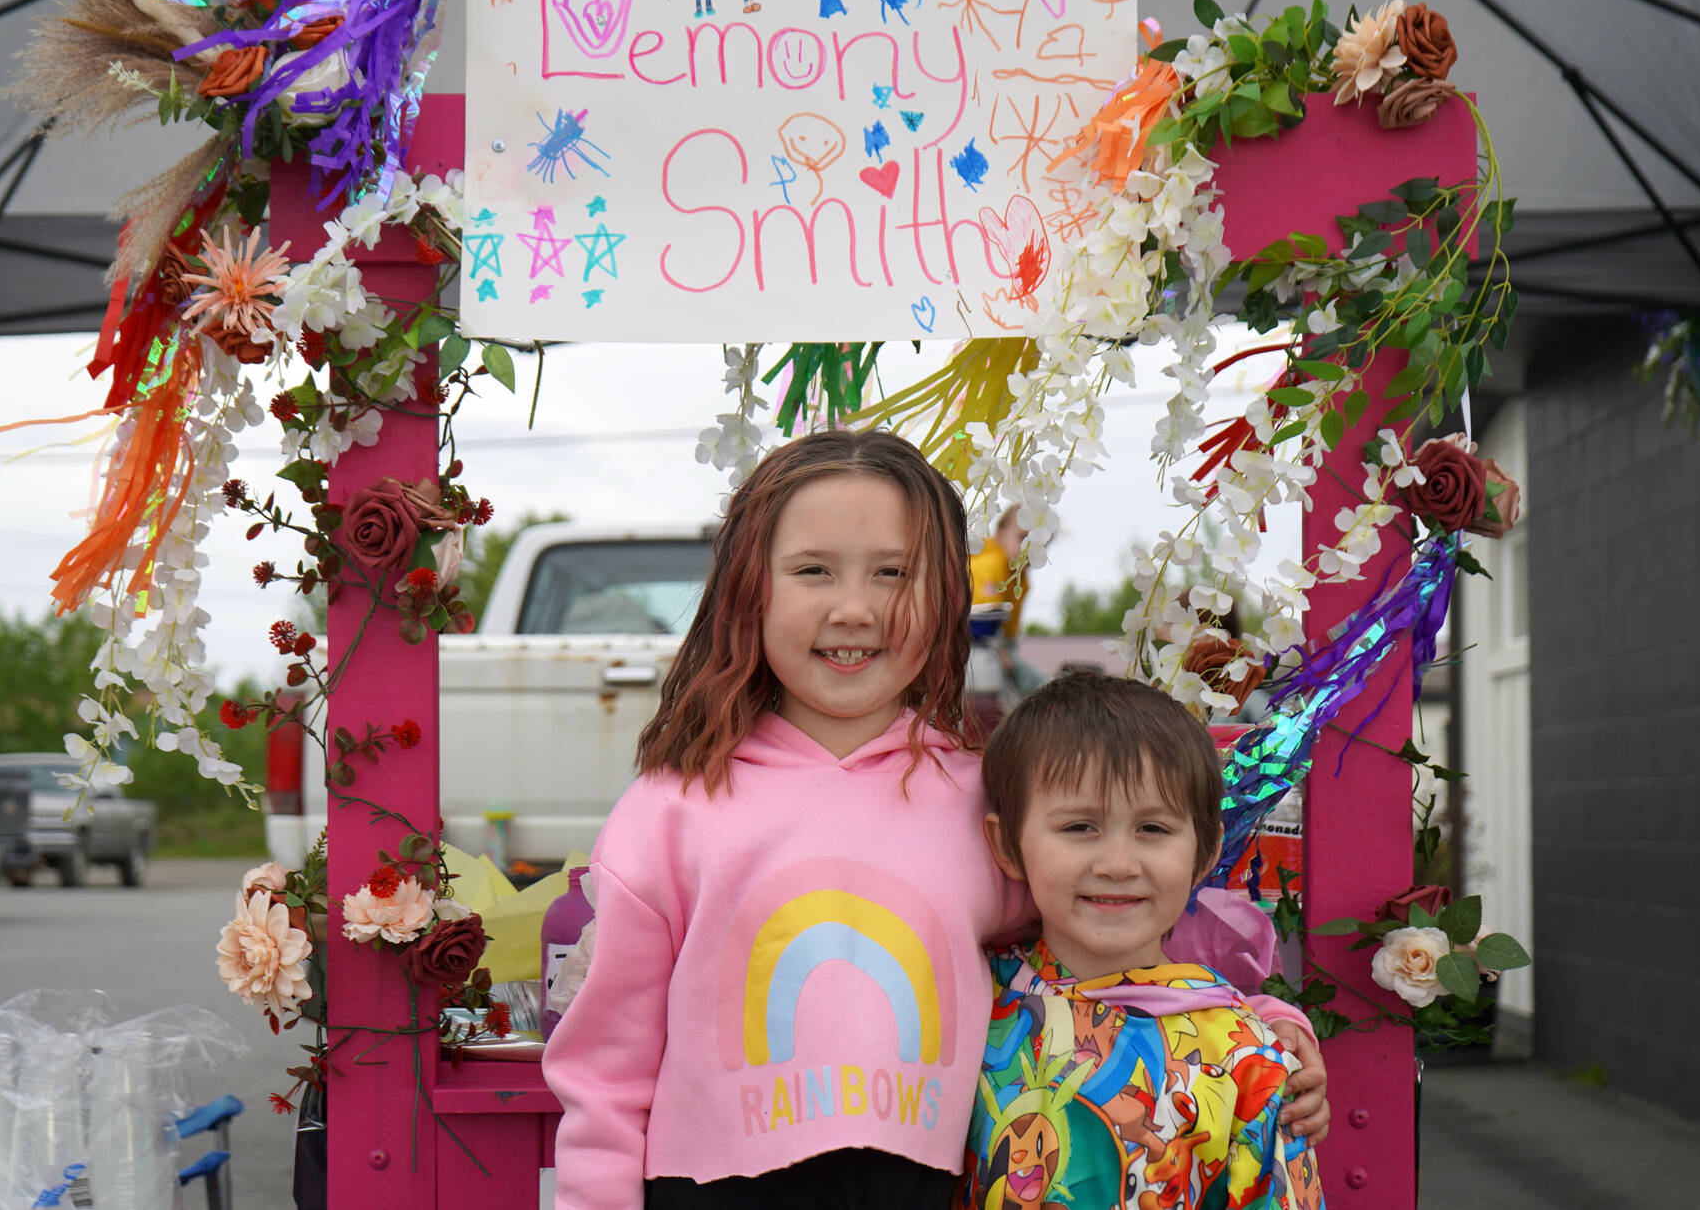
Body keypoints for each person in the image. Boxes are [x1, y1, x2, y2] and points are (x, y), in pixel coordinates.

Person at [544, 430, 1326, 1209]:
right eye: (814, 570)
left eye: (894, 573)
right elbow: (605, 1079)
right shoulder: (672, 808)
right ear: (750, 590)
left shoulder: (983, 800)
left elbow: (1119, 928)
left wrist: (1256, 1021)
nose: (854, 608)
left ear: (950, 596)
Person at [964, 670, 1324, 1208]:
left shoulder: (1253, 1061)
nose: (1116, 864)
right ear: (1008, 844)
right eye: (1079, 827)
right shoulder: (963, 1003)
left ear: (1204, 852)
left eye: (1153, 829)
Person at [967, 505, 1029, 639]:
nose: (1028, 548)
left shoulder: (1020, 580)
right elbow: (983, 614)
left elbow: (1011, 629)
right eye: (1022, 538)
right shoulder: (992, 561)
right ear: (1000, 534)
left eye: (1041, 545)